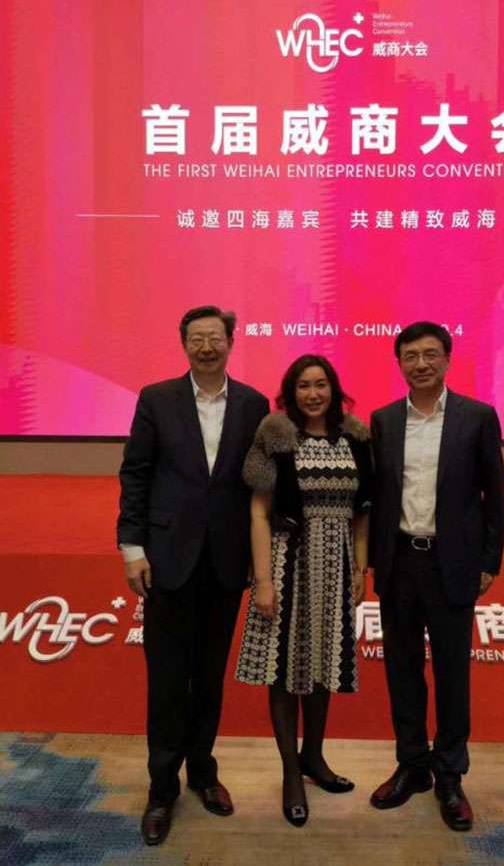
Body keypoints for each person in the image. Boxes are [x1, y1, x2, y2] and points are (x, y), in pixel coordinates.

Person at [117, 305, 269, 846]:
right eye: (197, 338)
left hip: (226, 561)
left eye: (215, 338)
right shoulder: (157, 398)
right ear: (184, 344)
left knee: (208, 677)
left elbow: (259, 486)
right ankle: (162, 789)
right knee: (166, 680)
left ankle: (203, 771)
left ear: (231, 342)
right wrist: (132, 548)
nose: (206, 347)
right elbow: (136, 474)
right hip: (166, 559)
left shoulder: (253, 404)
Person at [369, 321, 504, 832]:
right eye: (410, 356)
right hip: (399, 562)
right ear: (399, 363)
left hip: (453, 563)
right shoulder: (384, 420)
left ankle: (450, 775)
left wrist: (489, 561)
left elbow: (495, 494)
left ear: (447, 359)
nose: (420, 364)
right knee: (402, 670)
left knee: (451, 673)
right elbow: (379, 495)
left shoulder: (477, 417)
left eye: (430, 354)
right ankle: (412, 766)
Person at [235, 354, 372, 827]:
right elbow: (258, 512)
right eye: (303, 386)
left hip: (336, 567)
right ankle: (291, 773)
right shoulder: (277, 439)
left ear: (334, 389)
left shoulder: (355, 438)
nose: (313, 394)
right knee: (283, 669)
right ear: (290, 393)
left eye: (321, 384)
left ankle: (314, 756)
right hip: (287, 562)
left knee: (322, 665)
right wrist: (263, 580)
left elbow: (362, 510)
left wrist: (360, 567)